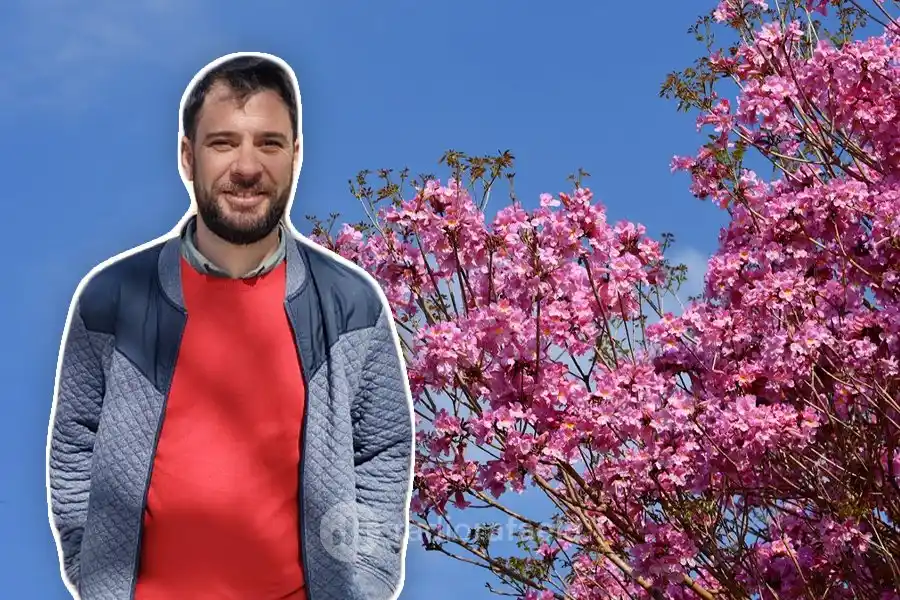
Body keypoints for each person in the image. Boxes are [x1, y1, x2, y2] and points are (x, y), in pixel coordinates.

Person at [46, 52, 414, 600]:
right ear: (187, 157)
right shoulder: (112, 298)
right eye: (223, 143)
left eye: (269, 143)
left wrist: (364, 581)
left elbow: (382, 450)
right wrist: (96, 571)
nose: (246, 166)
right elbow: (75, 442)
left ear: (296, 155)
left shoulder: (349, 305)